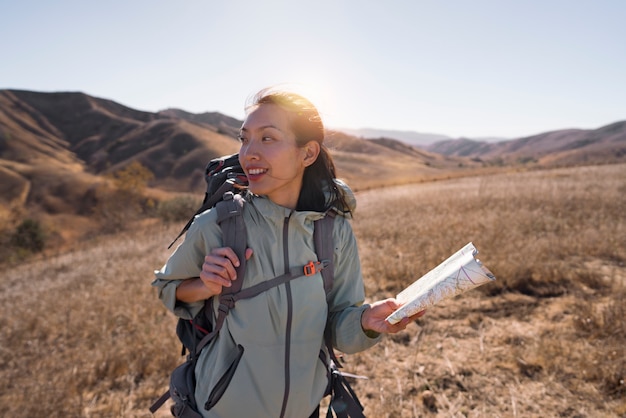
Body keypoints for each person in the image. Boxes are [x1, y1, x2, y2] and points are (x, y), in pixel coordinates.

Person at [152, 87, 424, 418]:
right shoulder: (219, 224)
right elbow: (167, 288)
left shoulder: (332, 229)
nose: (248, 153)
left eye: (267, 139)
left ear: (307, 153)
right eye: (244, 139)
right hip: (222, 409)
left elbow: (339, 325)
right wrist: (205, 286)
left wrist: (366, 322)